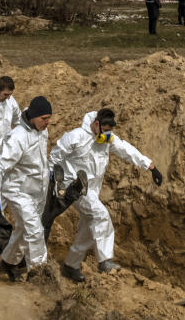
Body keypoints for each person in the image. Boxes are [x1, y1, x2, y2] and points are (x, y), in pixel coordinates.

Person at [50, 109, 163, 282]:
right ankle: (105, 261)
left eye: (110, 130)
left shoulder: (108, 139)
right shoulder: (76, 136)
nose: (108, 133)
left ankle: (71, 266)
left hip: (92, 191)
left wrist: (150, 167)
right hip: (75, 187)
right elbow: (55, 155)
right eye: (105, 129)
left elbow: (127, 150)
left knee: (88, 228)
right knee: (101, 216)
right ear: (97, 124)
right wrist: (52, 177)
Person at [0, 96, 54, 281]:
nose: (47, 122)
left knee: (24, 230)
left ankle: (8, 261)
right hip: (17, 190)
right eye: (43, 118)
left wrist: (50, 171)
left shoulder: (41, 131)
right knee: (35, 230)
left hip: (37, 191)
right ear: (33, 116)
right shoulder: (18, 137)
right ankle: (39, 274)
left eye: (49, 118)